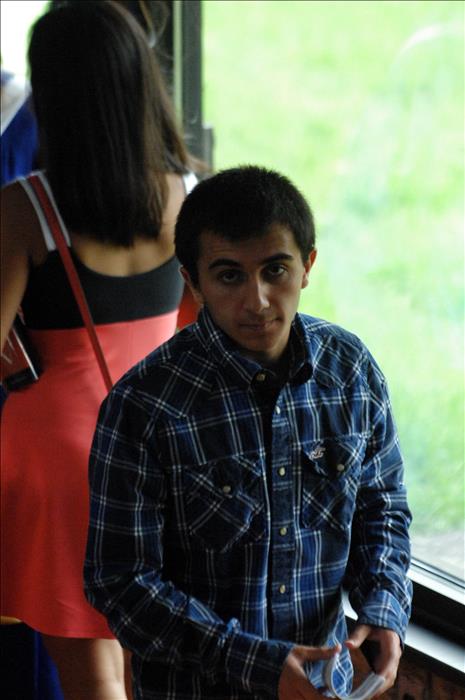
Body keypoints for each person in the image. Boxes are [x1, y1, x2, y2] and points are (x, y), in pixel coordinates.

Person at [84, 165, 412, 699]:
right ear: (193, 282)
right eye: (229, 275)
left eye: (275, 270)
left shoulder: (350, 371)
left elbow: (383, 510)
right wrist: (257, 663)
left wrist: (384, 611)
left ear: (307, 266)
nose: (257, 301)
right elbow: (121, 583)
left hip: (329, 686)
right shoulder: (144, 406)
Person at [0, 2, 199, 698]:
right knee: (152, 664)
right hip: (160, 446)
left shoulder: (25, 210)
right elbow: (199, 333)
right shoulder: (190, 194)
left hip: (57, 460)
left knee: (90, 678)